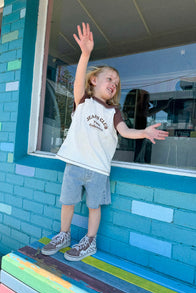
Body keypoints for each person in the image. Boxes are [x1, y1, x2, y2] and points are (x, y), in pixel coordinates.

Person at [41, 23, 168, 261]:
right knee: (67, 203)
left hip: (98, 169)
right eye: (110, 78)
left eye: (117, 83)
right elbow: (77, 80)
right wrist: (85, 54)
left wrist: (143, 133)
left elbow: (125, 131)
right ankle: (64, 234)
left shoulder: (114, 112)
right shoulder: (83, 101)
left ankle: (89, 241)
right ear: (94, 82)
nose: (114, 84)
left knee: (93, 207)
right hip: (74, 165)